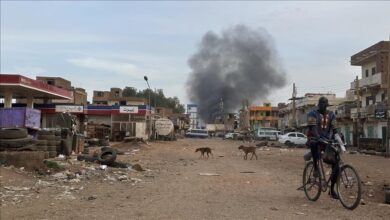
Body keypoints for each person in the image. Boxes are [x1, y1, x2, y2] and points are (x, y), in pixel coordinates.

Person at [306, 96, 342, 199]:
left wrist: (339, 139)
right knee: (313, 143)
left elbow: (335, 129)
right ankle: (316, 168)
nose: (324, 106)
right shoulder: (312, 114)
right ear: (319, 104)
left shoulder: (332, 115)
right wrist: (318, 138)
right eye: (322, 104)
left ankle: (332, 190)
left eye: (325, 105)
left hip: (327, 141)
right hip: (315, 138)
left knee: (336, 165)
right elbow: (312, 128)